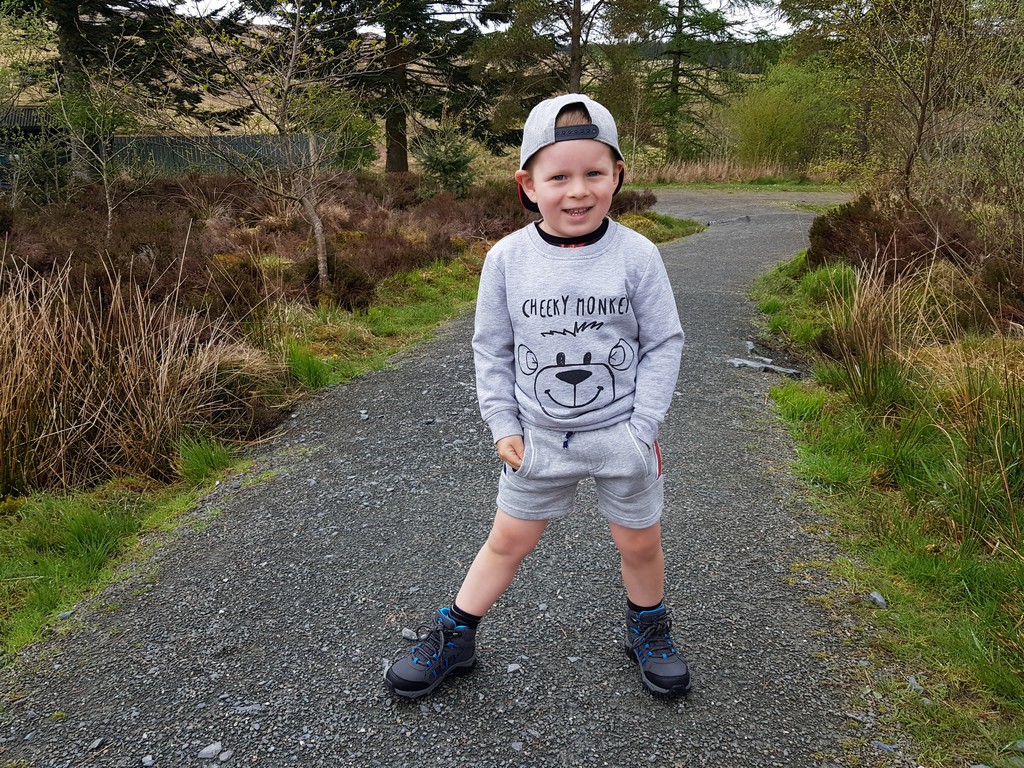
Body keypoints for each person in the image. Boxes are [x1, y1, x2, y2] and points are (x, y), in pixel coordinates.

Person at [385, 93, 689, 700]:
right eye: (559, 177)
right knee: (508, 540)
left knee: (639, 541)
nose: (578, 191)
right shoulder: (506, 259)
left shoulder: (638, 256)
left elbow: (664, 342)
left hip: (623, 438)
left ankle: (648, 629)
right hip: (538, 440)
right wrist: (503, 424)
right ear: (527, 184)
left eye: (594, 173)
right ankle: (455, 636)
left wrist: (643, 428)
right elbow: (491, 349)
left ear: (617, 175)